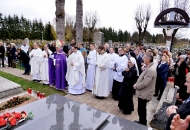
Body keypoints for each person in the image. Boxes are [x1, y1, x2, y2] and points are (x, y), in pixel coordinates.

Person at [133, 52, 157, 126]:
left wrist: (136, 86)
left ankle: (143, 123)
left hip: (145, 92)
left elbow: (145, 83)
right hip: (144, 91)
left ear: (148, 59)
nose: (143, 59)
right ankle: (142, 121)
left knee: (142, 109)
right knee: (141, 108)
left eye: (144, 58)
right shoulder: (149, 66)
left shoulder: (151, 69)